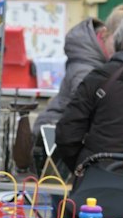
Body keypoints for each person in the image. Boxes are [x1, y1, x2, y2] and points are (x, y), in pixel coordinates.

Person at [52, 11, 123, 172]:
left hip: (98, 174)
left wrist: (83, 164)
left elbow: (67, 132)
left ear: (117, 42)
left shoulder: (98, 77)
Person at [34, 10, 116, 141]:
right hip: (53, 132)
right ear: (103, 35)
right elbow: (83, 113)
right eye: (116, 43)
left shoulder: (89, 62)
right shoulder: (85, 70)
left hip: (56, 128)